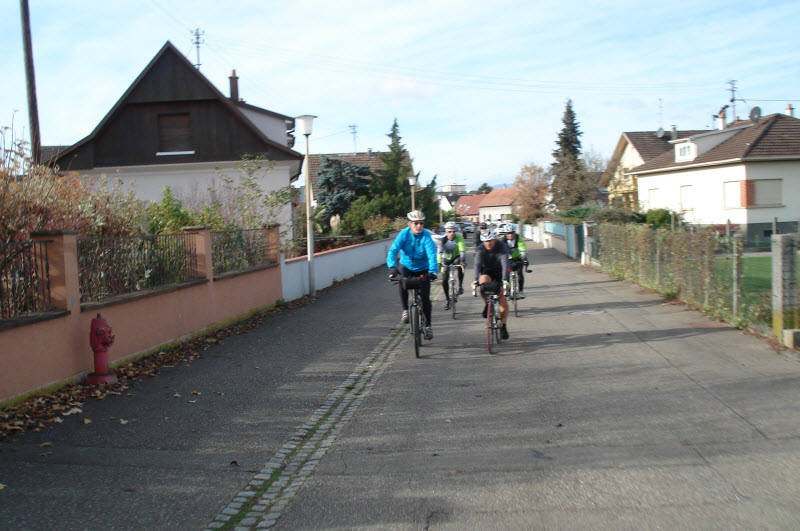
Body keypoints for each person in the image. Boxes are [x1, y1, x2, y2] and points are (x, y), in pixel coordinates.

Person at [387, 210, 438, 340]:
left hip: (423, 268)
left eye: (421, 223)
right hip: (407, 266)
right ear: (409, 224)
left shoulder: (426, 236)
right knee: (402, 282)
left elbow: (432, 254)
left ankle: (428, 326)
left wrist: (433, 271)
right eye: (416, 223)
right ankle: (405, 311)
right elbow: (393, 251)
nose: (419, 226)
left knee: (425, 298)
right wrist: (392, 267)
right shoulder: (404, 234)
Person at [472, 228, 510, 339]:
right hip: (487, 271)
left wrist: (505, 281)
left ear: (495, 239)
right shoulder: (480, 249)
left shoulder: (502, 247)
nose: (488, 243)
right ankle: (488, 304)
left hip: (500, 272)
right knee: (482, 284)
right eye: (485, 241)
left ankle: (503, 325)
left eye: (490, 241)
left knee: (502, 295)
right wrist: (475, 280)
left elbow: (505, 264)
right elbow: (477, 264)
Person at [436, 221, 467, 310]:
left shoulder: (459, 238)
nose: (452, 233)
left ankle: (460, 286)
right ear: (446, 232)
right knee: (444, 279)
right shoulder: (443, 240)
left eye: (454, 231)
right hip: (446, 258)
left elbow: (462, 249)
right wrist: (439, 263)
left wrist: (462, 260)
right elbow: (439, 252)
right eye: (450, 231)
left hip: (456, 257)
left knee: (460, 266)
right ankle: (447, 300)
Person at [499, 223, 530, 298]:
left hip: (517, 258)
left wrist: (523, 255)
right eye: (508, 233)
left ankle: (521, 291)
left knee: (519, 273)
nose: (510, 235)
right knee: (506, 275)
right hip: (508, 260)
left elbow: (522, 247)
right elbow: (500, 250)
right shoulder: (503, 240)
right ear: (506, 234)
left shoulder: (518, 238)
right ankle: (508, 292)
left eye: (512, 233)